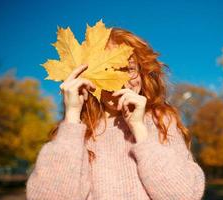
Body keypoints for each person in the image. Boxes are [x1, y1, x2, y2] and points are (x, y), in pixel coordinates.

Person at [26, 27, 206, 200]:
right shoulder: (73, 131)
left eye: (129, 69)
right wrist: (72, 117)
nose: (119, 81)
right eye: (108, 70)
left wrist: (140, 130)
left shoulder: (161, 120)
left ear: (144, 74)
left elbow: (185, 195)